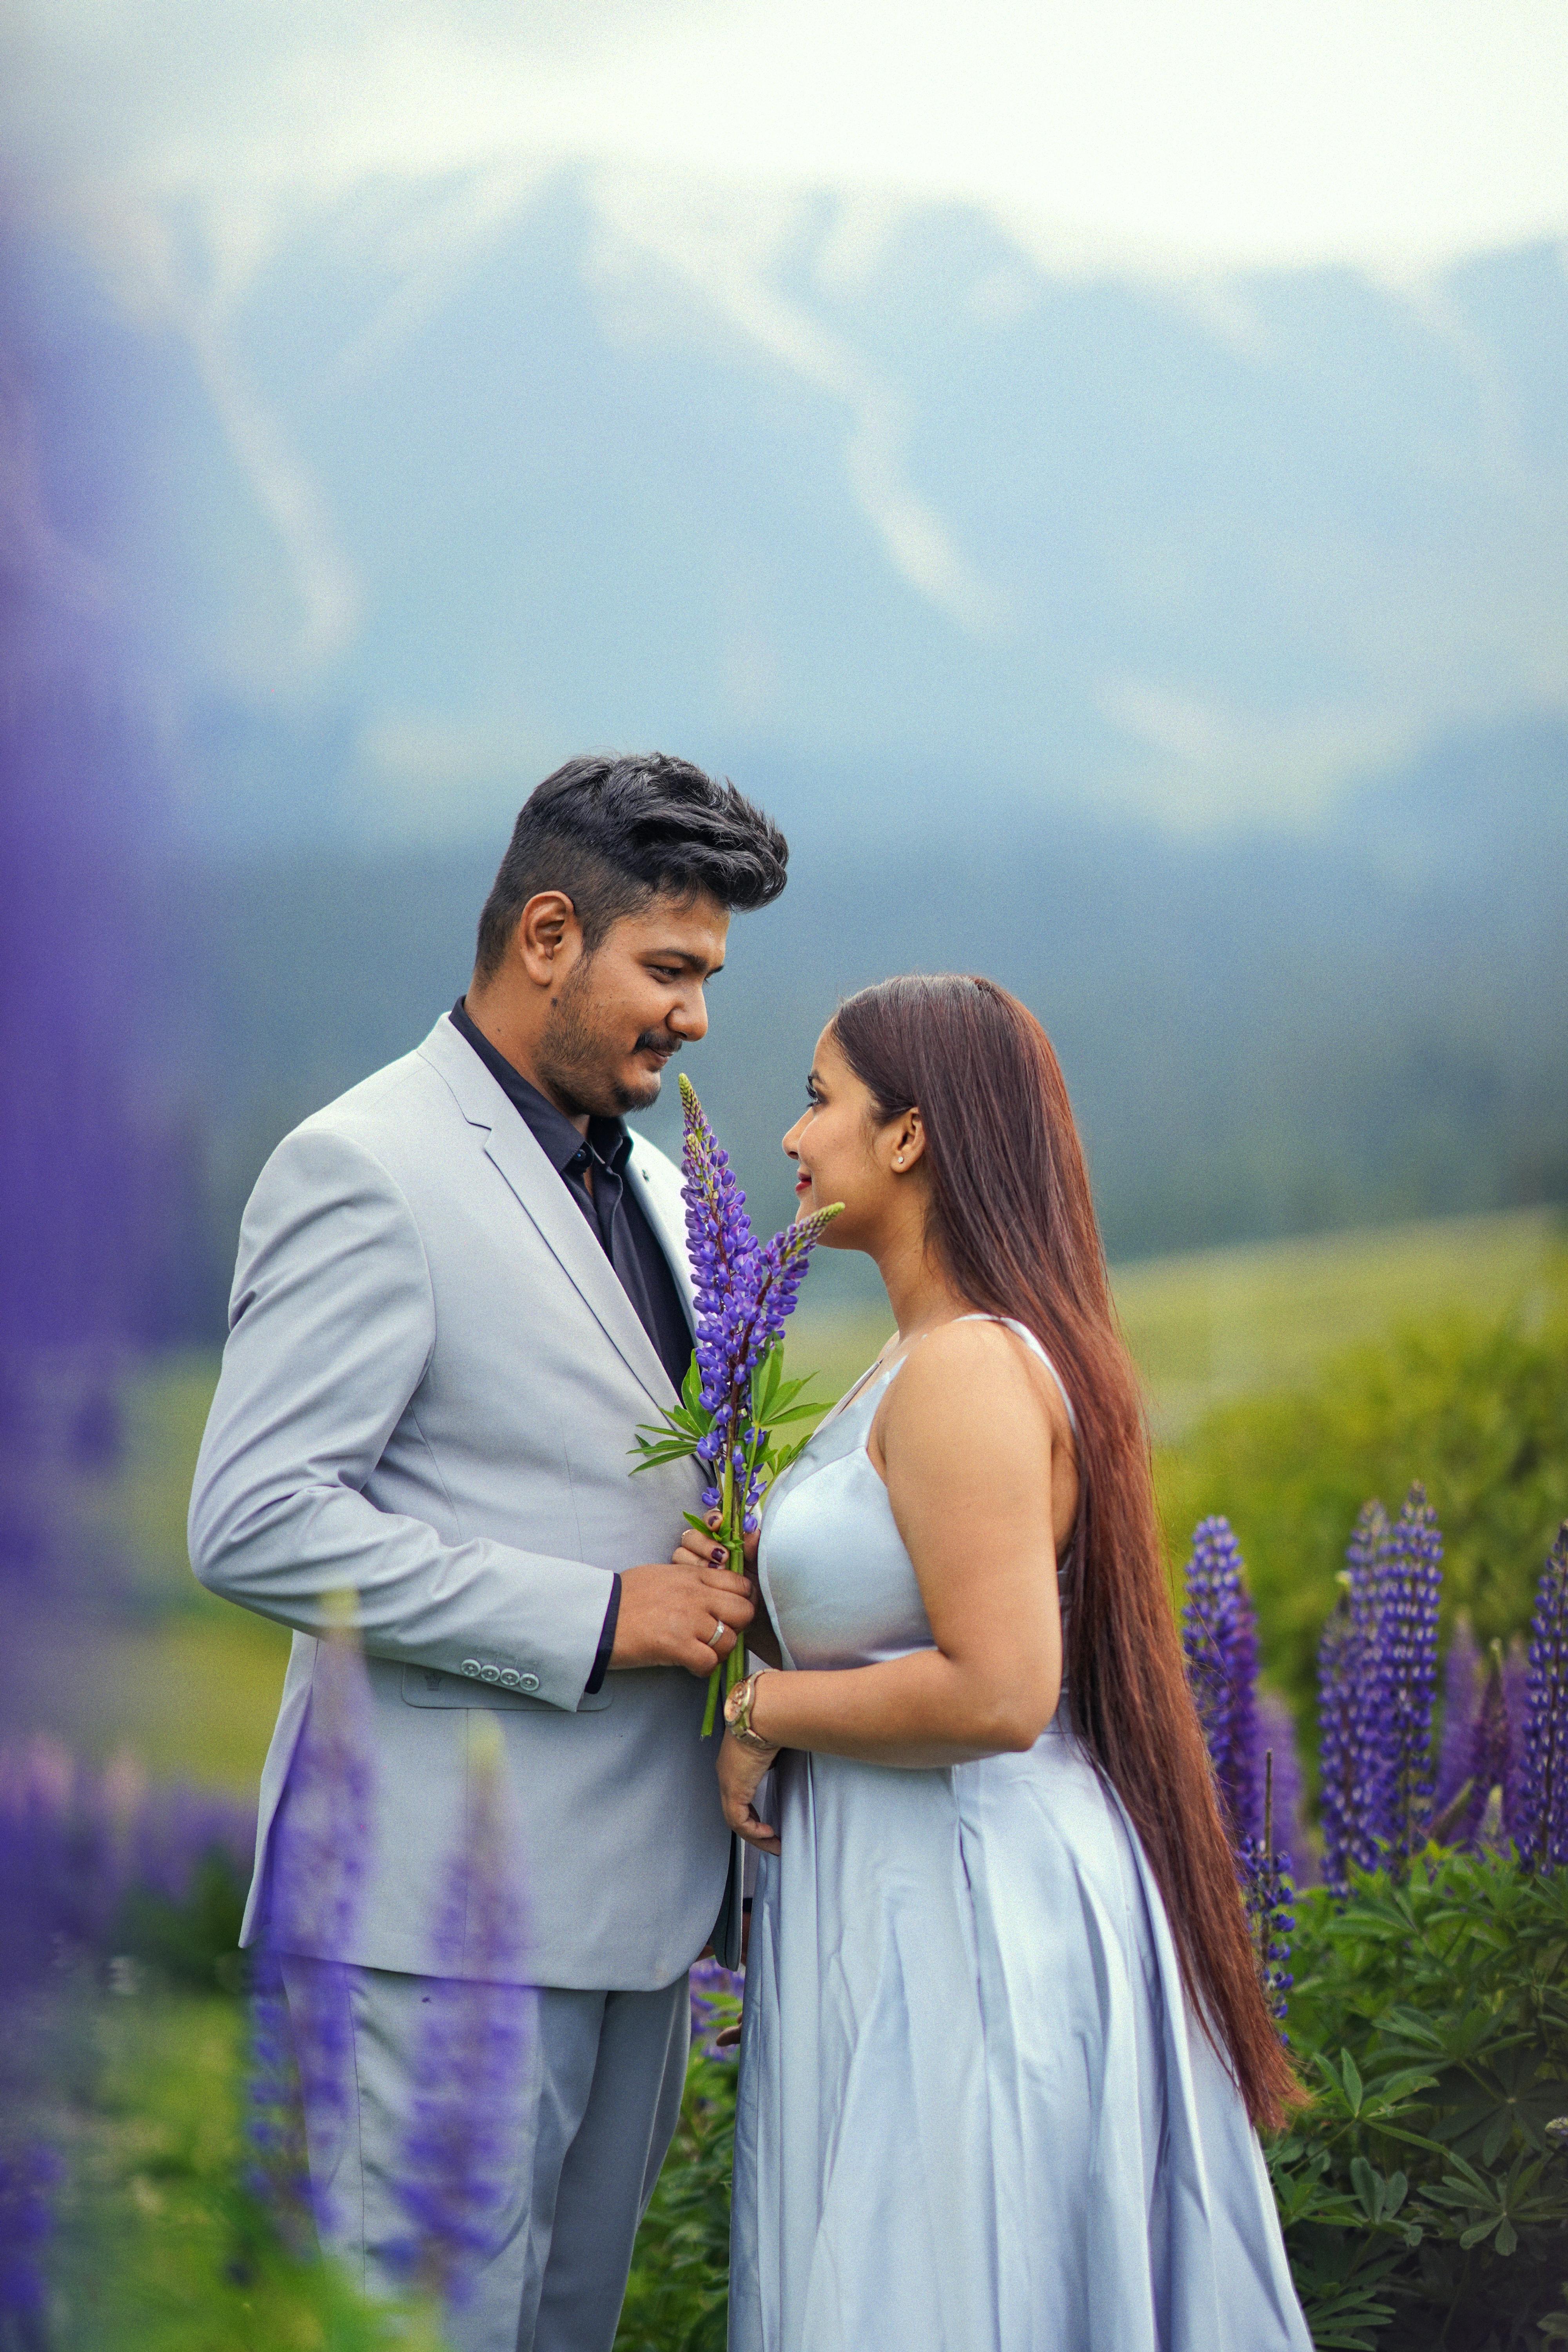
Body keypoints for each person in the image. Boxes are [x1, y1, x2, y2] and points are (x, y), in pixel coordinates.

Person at [188, 753, 787, 2352]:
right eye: (669, 970)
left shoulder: (662, 1188)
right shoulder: (363, 1166)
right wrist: (599, 1618)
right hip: (428, 1923)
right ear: (544, 936)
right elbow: (253, 1517)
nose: (699, 1017)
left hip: (645, 1911)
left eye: (710, 977)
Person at [675, 973, 1312, 2352]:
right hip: (908, 1894)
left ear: (909, 1137)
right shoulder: (913, 1364)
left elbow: (1001, 1691)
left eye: (818, 1099)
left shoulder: (966, 1368)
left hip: (963, 1908)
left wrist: (764, 1706)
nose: (791, 1139)